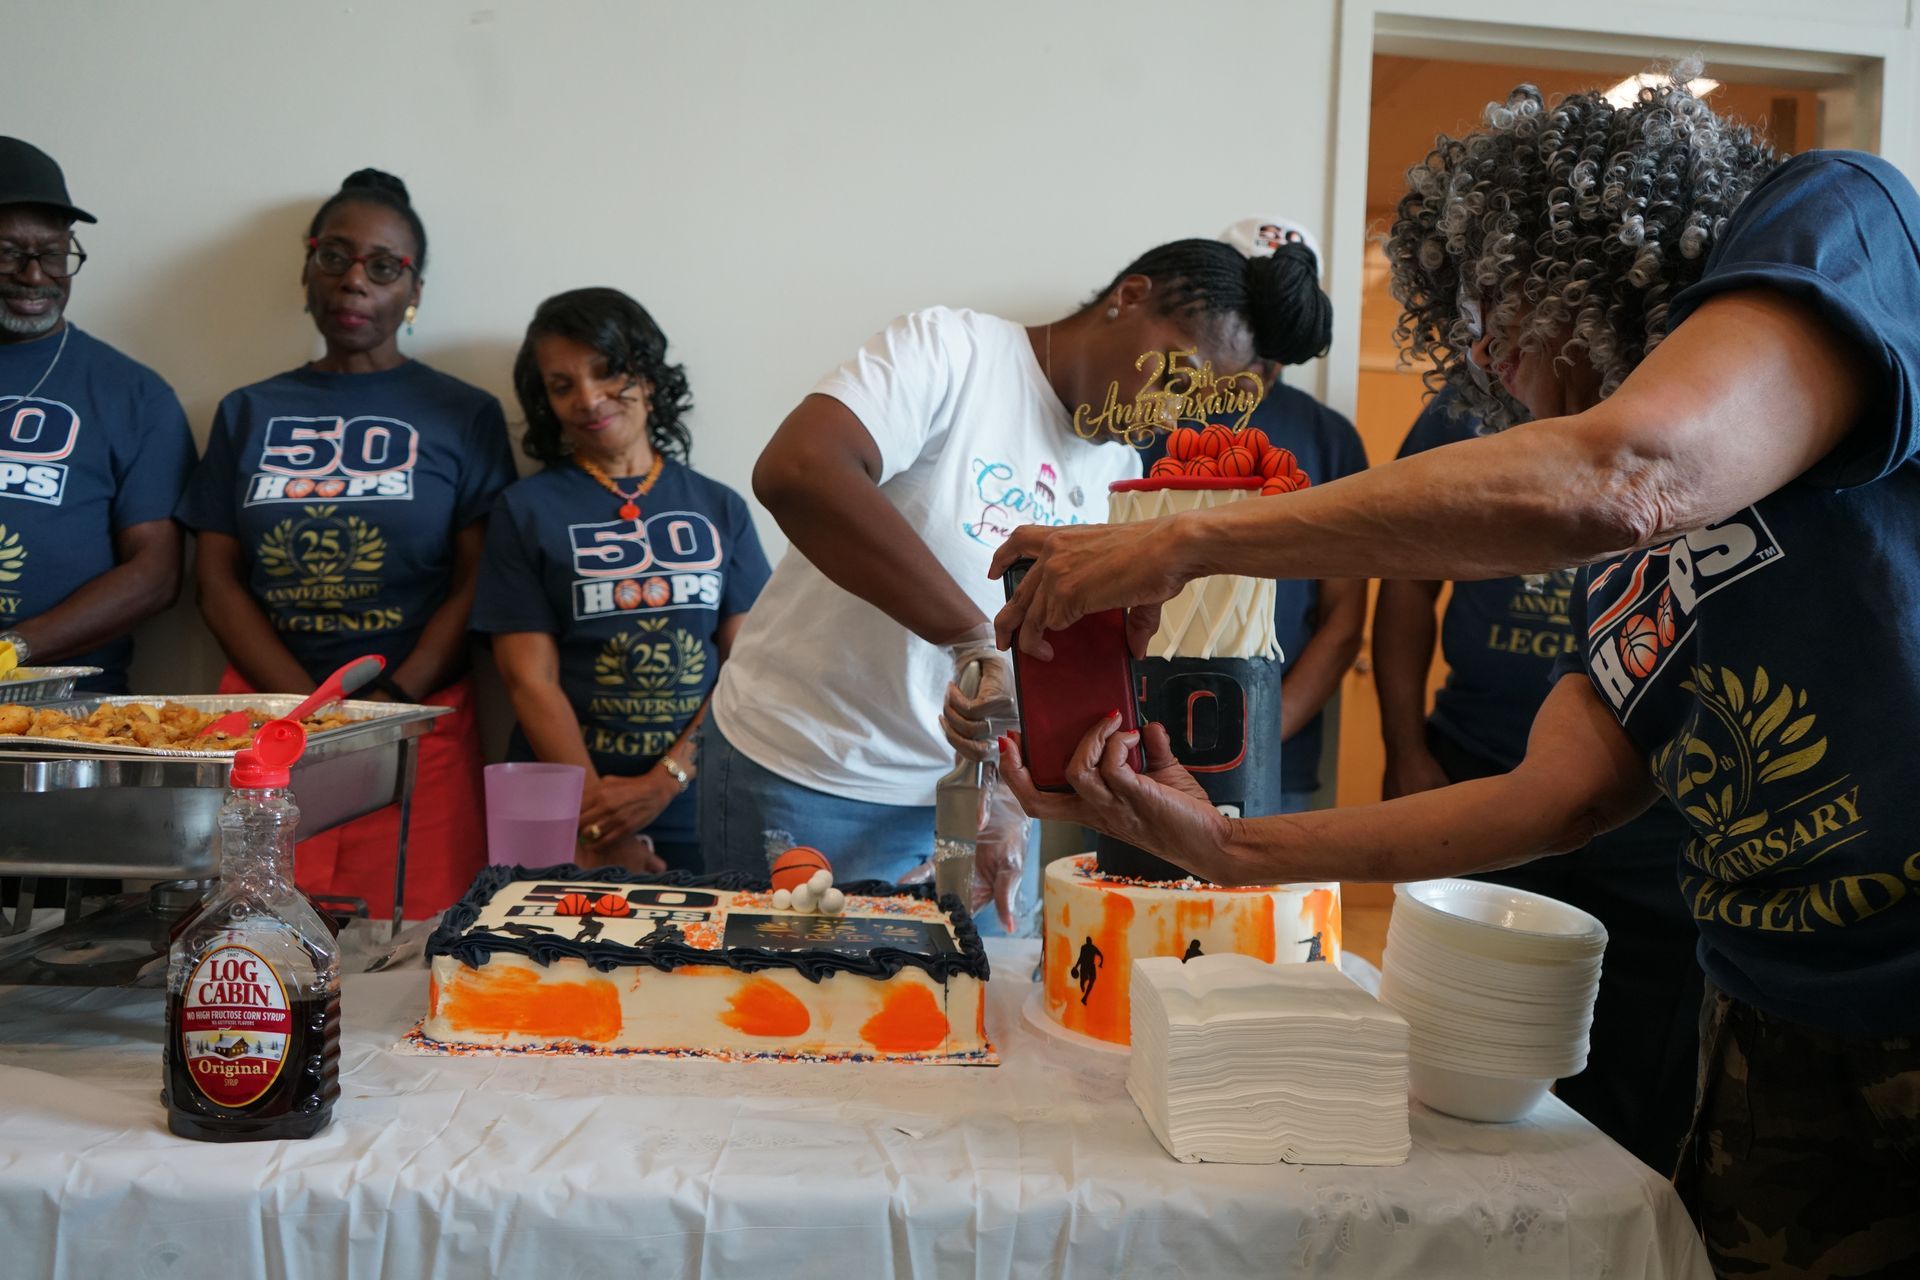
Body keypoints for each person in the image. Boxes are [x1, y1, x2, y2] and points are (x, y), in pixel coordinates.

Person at [996, 76, 1920, 1275]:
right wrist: (1222, 848)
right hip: (1772, 1016)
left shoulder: (1830, 218)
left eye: (1495, 304)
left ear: (1589, 248)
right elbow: (1553, 797)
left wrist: (1188, 534)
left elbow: (1630, 468)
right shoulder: (1623, 577)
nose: (1482, 351)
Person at [704, 237, 1331, 932]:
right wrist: (970, 640)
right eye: (1177, 377)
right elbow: (798, 471)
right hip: (810, 773)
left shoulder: (1115, 465)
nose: (1174, 414)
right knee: (795, 1017)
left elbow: (1052, 653)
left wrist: (1007, 790)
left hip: (964, 801)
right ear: (1130, 297)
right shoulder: (955, 352)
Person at [1375, 388, 1700, 1172]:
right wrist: (1405, 748)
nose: (1492, 349)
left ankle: (1621, 1218)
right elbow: (1406, 581)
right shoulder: (1461, 408)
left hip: (1655, 798)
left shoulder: (1691, 408)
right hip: (1479, 765)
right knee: (1462, 1039)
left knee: (1636, 1048)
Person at [176, 169, 516, 920]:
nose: (354, 281)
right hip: (262, 729)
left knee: (415, 953)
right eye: (336, 256)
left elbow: (477, 579)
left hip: (417, 730)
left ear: (413, 290)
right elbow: (217, 581)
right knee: (256, 943)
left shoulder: (464, 414)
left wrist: (390, 705)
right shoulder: (247, 411)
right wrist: (304, 712)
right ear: (307, 267)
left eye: (383, 266)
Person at [473, 288, 769, 873]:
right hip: (562, 812)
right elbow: (528, 679)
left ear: (650, 377)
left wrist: (664, 782)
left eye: (607, 372)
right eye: (562, 386)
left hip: (699, 801)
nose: (588, 398)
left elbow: (751, 668)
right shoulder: (524, 510)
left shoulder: (720, 507)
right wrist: (599, 824)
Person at [1141, 216, 1364, 812]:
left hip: (1276, 766)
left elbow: (1342, 620)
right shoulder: (1141, 417)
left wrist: (1262, 734)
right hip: (1139, 754)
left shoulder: (1329, 438)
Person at [0, 137, 194, 692]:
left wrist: (12, 650)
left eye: (55, 254)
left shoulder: (134, 393)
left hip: (58, 713)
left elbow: (156, 575)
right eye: (9, 252)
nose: (35, 276)